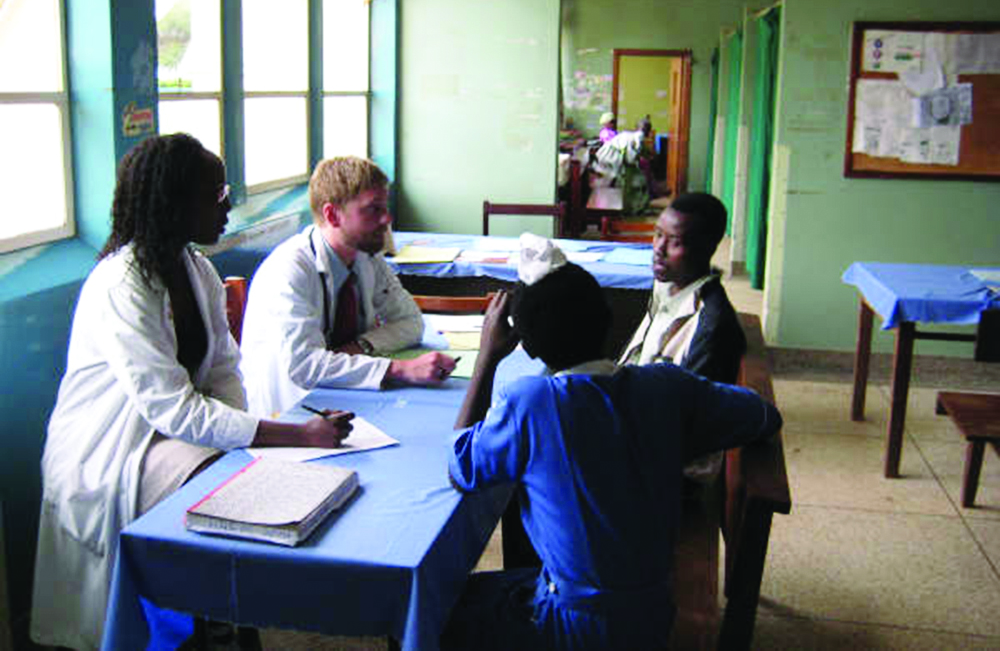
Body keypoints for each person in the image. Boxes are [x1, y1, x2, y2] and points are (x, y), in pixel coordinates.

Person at [31, 134, 353, 651]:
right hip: (111, 451)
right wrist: (289, 434)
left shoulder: (195, 267)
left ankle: (217, 616)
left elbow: (225, 368)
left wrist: (246, 446)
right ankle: (211, 620)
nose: (228, 204)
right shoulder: (123, 284)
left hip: (165, 436)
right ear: (174, 200)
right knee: (219, 490)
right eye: (216, 192)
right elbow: (172, 407)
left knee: (240, 481)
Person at [442, 241, 781, 651]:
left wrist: (486, 359)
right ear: (607, 321)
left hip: (574, 627)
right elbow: (761, 416)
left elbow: (461, 467)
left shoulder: (532, 403)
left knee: (436, 605)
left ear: (525, 346)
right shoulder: (666, 385)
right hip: (653, 612)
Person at [239, 157, 457, 418]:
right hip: (289, 413)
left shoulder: (365, 255)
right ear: (332, 215)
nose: (387, 218)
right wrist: (400, 369)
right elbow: (305, 366)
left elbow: (411, 323)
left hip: (346, 399)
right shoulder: (289, 270)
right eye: (373, 209)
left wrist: (361, 346)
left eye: (384, 206)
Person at [619, 192, 745, 384]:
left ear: (707, 248)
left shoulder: (711, 326)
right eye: (658, 234)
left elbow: (689, 406)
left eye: (675, 241)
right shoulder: (665, 287)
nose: (659, 249)